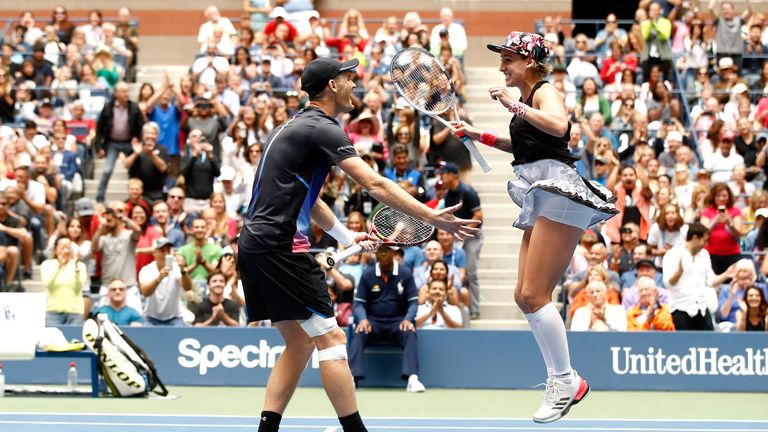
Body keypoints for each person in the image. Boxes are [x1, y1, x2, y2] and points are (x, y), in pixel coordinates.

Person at [237, 56, 477, 432]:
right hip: (280, 244)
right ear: (332, 85)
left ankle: (267, 429)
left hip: (254, 245)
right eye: (349, 78)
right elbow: (375, 184)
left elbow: (309, 200)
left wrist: (346, 236)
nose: (355, 84)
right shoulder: (322, 127)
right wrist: (430, 215)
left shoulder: (293, 127)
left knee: (299, 344)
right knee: (331, 339)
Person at [451, 31, 618, 423]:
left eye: (508, 59)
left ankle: (565, 381)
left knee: (535, 293)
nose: (501, 65)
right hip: (542, 190)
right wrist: (480, 135)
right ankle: (562, 379)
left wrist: (514, 106)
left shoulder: (544, 91)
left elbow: (559, 127)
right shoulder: (525, 100)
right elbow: (526, 147)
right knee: (522, 296)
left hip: (560, 191)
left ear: (529, 61)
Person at [349, 246, 423, 390]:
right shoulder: (368, 274)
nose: (383, 254)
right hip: (373, 322)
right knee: (359, 333)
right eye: (380, 251)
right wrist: (363, 319)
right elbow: (358, 304)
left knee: (410, 333)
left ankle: (412, 378)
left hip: (398, 322)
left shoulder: (405, 273)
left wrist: (408, 319)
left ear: (394, 253)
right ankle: (352, 377)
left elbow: (413, 302)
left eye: (386, 251)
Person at [662, 222, 731, 330]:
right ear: (694, 238)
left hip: (702, 306)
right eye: (704, 240)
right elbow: (668, 284)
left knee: (709, 341)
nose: (706, 244)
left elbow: (711, 281)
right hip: (680, 307)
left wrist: (727, 274)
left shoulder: (704, 254)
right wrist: (679, 272)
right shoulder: (672, 254)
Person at [94, 81, 144, 203]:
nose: (127, 94)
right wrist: (99, 146)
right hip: (112, 143)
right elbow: (99, 127)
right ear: (116, 93)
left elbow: (141, 125)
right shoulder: (108, 107)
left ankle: (136, 198)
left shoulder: (134, 107)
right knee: (106, 170)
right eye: (123, 91)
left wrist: (138, 140)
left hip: (129, 142)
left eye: (127, 91)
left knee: (135, 171)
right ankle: (100, 198)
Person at [139, 237, 192, 326]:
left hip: (175, 318)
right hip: (151, 318)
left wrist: (183, 270)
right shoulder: (146, 270)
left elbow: (187, 288)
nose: (166, 254)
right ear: (154, 253)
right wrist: (159, 278)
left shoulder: (176, 268)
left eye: (168, 251)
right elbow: (145, 292)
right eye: (162, 251)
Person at [41, 236, 88, 326]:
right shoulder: (47, 264)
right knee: (52, 340)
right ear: (55, 249)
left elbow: (79, 286)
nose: (65, 249)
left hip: (75, 313)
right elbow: (48, 284)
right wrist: (59, 266)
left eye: (68, 246)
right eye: (62, 246)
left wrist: (75, 265)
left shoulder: (79, 265)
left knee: (75, 340)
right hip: (53, 312)